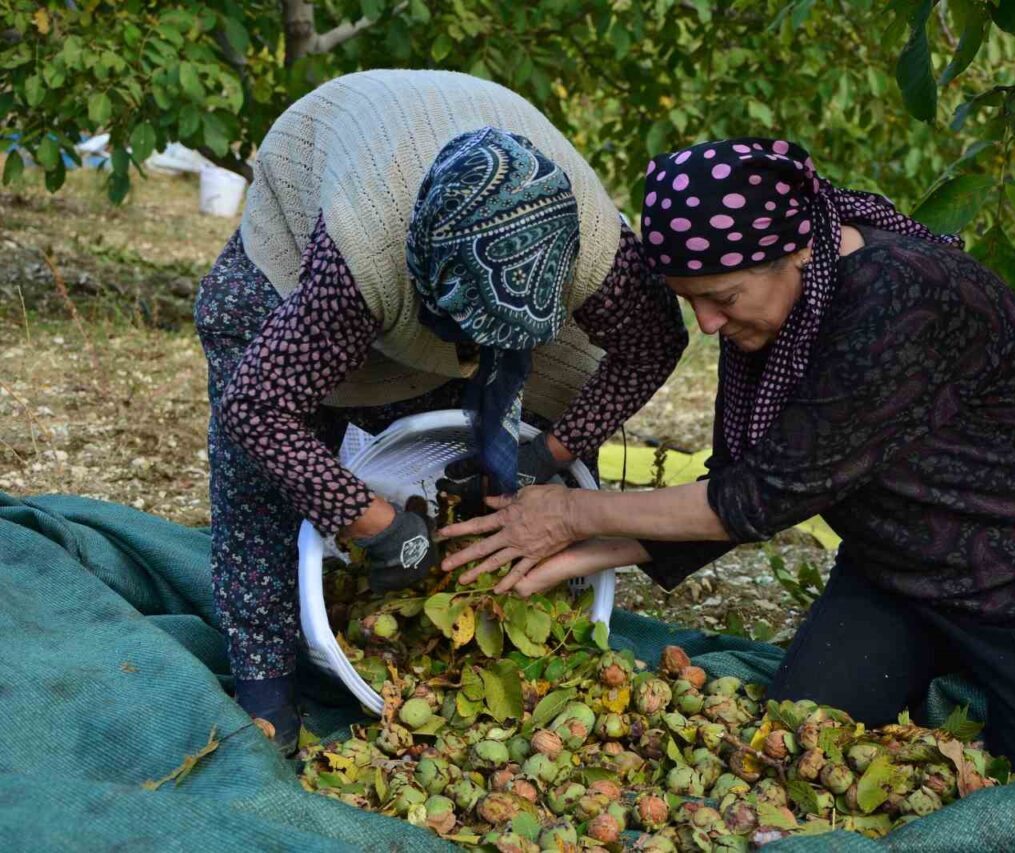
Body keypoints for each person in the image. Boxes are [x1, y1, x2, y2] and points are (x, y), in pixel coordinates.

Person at [439, 137, 1015, 770]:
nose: (708, 324)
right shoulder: (778, 311)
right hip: (898, 565)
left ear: (798, 249)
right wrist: (563, 556)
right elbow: (739, 483)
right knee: (799, 739)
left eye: (719, 297)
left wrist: (571, 514)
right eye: (693, 303)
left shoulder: (899, 298)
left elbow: (759, 498)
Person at [194, 70, 686, 753]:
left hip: (480, 256)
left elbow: (655, 344)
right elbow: (259, 411)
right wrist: (377, 524)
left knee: (511, 452)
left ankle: (508, 623)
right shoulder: (356, 254)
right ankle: (267, 684)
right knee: (268, 477)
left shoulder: (593, 249)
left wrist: (553, 452)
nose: (470, 352)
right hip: (318, 221)